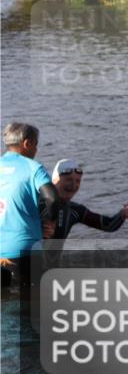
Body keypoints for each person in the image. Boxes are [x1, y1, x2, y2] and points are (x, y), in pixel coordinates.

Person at [0, 123, 63, 288]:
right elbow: (52, 198)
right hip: (24, 250)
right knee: (30, 305)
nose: (36, 150)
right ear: (27, 143)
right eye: (36, 145)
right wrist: (50, 221)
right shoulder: (33, 168)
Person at [40, 159, 128, 239]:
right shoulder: (36, 203)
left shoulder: (75, 210)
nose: (74, 185)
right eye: (68, 180)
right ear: (54, 181)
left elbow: (109, 225)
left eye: (77, 181)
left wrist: (123, 213)